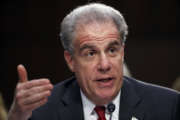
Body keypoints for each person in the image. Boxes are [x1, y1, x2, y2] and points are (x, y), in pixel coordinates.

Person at [8, 3, 180, 120]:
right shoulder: (40, 112)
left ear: (123, 52)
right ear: (71, 60)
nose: (104, 65)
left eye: (112, 50)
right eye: (90, 53)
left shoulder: (168, 107)